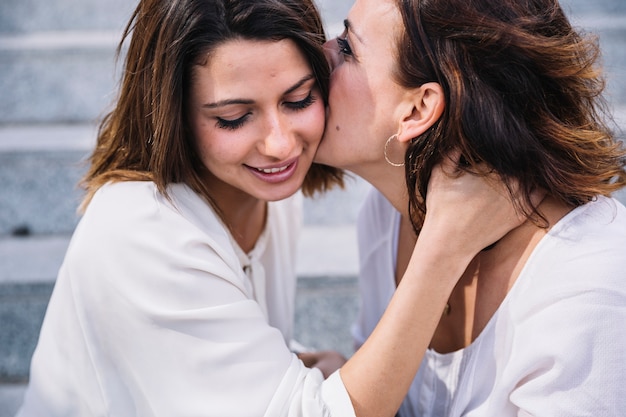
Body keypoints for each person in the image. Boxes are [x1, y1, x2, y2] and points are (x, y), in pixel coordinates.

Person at [15, 0, 527, 416]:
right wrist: (444, 243)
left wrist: (304, 366)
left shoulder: (268, 198)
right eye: (235, 118)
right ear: (174, 117)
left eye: (299, 99)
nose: (280, 146)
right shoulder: (140, 229)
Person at [316, 0, 626, 415]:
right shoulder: (385, 216)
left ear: (418, 109)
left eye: (348, 48)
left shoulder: (589, 290)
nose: (320, 54)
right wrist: (346, 382)